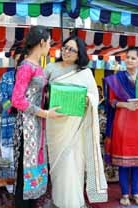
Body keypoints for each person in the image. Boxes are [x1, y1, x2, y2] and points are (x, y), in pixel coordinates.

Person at [45, 36, 108, 208]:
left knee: (73, 164)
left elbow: (95, 97)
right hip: (55, 125)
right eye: (65, 47)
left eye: (71, 49)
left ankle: (74, 203)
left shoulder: (85, 73)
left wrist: (83, 98)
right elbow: (41, 93)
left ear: (79, 53)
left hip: (75, 127)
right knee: (58, 166)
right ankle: (58, 201)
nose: (66, 51)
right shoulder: (50, 67)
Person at [11, 26, 62, 208]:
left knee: (34, 170)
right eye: (49, 43)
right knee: (25, 173)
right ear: (42, 42)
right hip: (27, 127)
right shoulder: (26, 66)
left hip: (37, 126)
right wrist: (45, 113)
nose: (50, 46)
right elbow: (17, 99)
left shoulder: (37, 66)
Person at [104, 47, 138, 206]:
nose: (129, 60)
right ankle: (125, 194)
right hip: (123, 122)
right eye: (127, 57)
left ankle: (136, 194)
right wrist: (126, 105)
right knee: (124, 162)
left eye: (133, 58)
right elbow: (111, 101)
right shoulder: (116, 79)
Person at [0, 47, 22, 193]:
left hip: (25, 125)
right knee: (7, 157)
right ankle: (8, 188)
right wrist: (14, 108)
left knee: (22, 158)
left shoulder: (31, 78)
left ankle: (20, 188)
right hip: (8, 123)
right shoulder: (6, 77)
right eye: (18, 59)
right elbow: (3, 97)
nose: (20, 63)